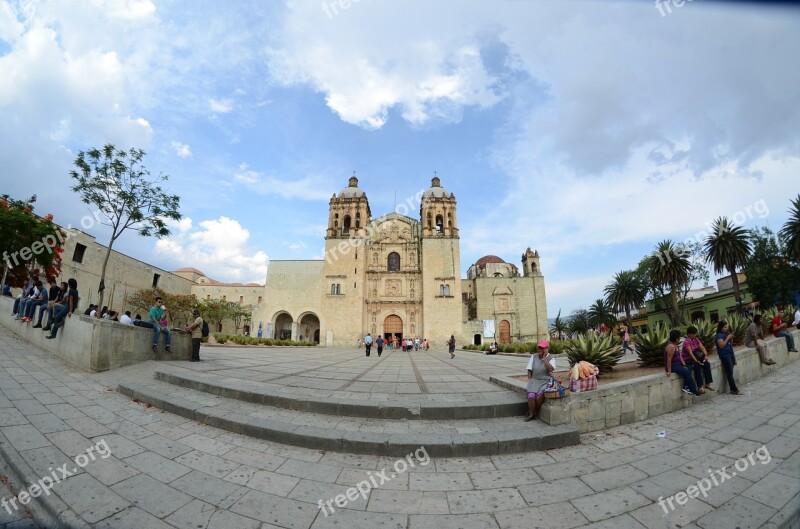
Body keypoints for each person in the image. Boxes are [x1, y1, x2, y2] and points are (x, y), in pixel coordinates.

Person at [525, 340, 556, 421]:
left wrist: (544, 358)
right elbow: (529, 370)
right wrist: (530, 381)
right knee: (531, 396)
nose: (540, 350)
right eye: (539, 348)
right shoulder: (534, 356)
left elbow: (550, 369)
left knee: (539, 396)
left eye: (542, 348)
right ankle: (531, 415)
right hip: (534, 380)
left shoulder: (551, 358)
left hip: (545, 381)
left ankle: (533, 411)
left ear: (547, 349)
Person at [665, 329, 701, 396]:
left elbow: (680, 356)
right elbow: (669, 359)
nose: (680, 338)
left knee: (688, 368)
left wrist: (684, 364)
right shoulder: (671, 346)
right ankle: (693, 389)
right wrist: (669, 370)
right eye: (679, 337)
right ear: (676, 338)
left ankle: (686, 387)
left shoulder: (675, 345)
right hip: (673, 366)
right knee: (686, 371)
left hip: (678, 364)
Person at [683, 325, 715, 393]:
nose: (695, 335)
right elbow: (690, 353)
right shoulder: (686, 342)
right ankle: (700, 386)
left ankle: (707, 384)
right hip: (689, 359)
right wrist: (696, 361)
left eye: (695, 333)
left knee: (707, 364)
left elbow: (702, 347)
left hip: (697, 357)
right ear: (689, 334)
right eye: (693, 334)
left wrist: (705, 355)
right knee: (697, 367)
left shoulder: (696, 339)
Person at [716, 320, 742, 395]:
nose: (726, 328)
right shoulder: (719, 335)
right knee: (730, 373)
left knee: (730, 371)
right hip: (724, 355)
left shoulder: (725, 334)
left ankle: (733, 388)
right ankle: (734, 389)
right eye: (725, 327)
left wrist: (731, 337)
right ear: (721, 328)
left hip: (730, 353)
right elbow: (721, 346)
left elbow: (730, 344)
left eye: (726, 327)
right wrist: (728, 337)